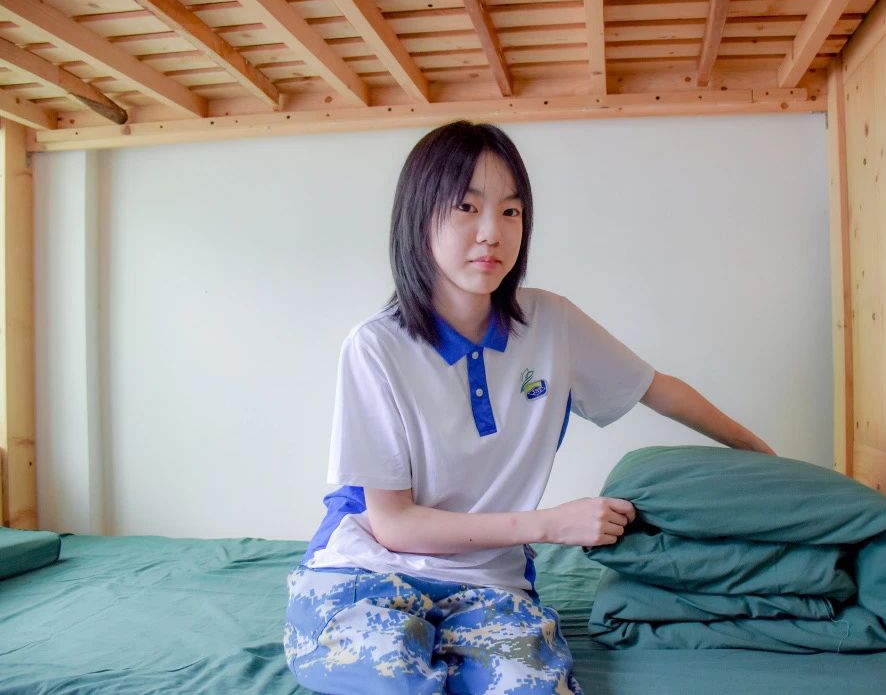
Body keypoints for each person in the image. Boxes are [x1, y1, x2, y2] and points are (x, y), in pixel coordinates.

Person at [284, 120, 775, 695]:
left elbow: (656, 388)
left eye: (511, 211)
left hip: (491, 586)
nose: (492, 232)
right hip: (368, 570)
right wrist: (551, 525)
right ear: (418, 217)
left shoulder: (551, 323)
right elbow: (393, 524)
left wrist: (759, 451)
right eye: (467, 207)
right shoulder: (375, 346)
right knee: (393, 682)